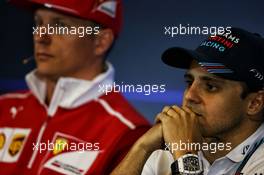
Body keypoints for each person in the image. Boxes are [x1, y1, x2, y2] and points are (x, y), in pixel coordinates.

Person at [0, 0, 150, 174]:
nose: (40, 36)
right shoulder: (3, 107)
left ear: (101, 41)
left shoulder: (129, 135)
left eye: (60, 25)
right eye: (38, 22)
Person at [111, 27, 264, 175]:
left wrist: (185, 156)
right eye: (189, 82)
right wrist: (142, 148)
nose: (189, 96)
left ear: (254, 103)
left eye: (210, 87)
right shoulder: (168, 148)